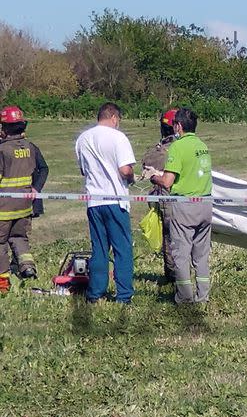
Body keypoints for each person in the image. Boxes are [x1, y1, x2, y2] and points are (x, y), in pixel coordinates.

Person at [148, 108, 213, 304]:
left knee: (181, 255)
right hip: (206, 205)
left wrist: (154, 177)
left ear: (178, 126)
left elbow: (167, 181)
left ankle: (185, 297)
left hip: (185, 207)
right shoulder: (202, 146)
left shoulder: (177, 147)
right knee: (201, 256)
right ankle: (203, 296)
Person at [75, 102, 136, 304]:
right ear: (114, 118)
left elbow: (84, 170)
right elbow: (125, 170)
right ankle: (124, 294)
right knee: (122, 249)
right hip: (116, 199)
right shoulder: (118, 137)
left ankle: (95, 292)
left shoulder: (83, 139)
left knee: (99, 248)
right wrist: (133, 178)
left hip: (94, 200)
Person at [0, 106, 47, 290]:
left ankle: (3, 282)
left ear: (5, 128)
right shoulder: (30, 147)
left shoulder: (2, 150)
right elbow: (44, 169)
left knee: (1, 243)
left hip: (3, 208)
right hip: (25, 206)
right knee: (20, 238)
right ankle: (28, 269)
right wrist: (36, 188)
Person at [141, 108, 178, 283]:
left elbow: (148, 160)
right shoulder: (190, 146)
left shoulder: (165, 149)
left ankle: (173, 276)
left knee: (170, 237)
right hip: (189, 200)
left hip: (169, 197)